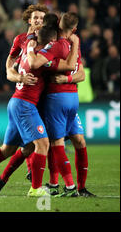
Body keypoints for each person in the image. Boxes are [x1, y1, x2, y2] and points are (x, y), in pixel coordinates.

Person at [0, 26, 77, 197]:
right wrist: (75, 46)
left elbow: (13, 66)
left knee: (7, 150)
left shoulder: (26, 52)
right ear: (50, 41)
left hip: (16, 102)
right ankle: (35, 188)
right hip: (25, 105)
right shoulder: (40, 58)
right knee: (43, 144)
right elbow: (69, 65)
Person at [25, 12, 95, 197]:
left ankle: (79, 187)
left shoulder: (72, 44)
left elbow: (81, 74)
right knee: (54, 143)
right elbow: (40, 64)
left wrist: (67, 78)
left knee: (78, 141)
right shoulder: (54, 45)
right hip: (54, 97)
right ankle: (59, 184)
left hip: (71, 98)